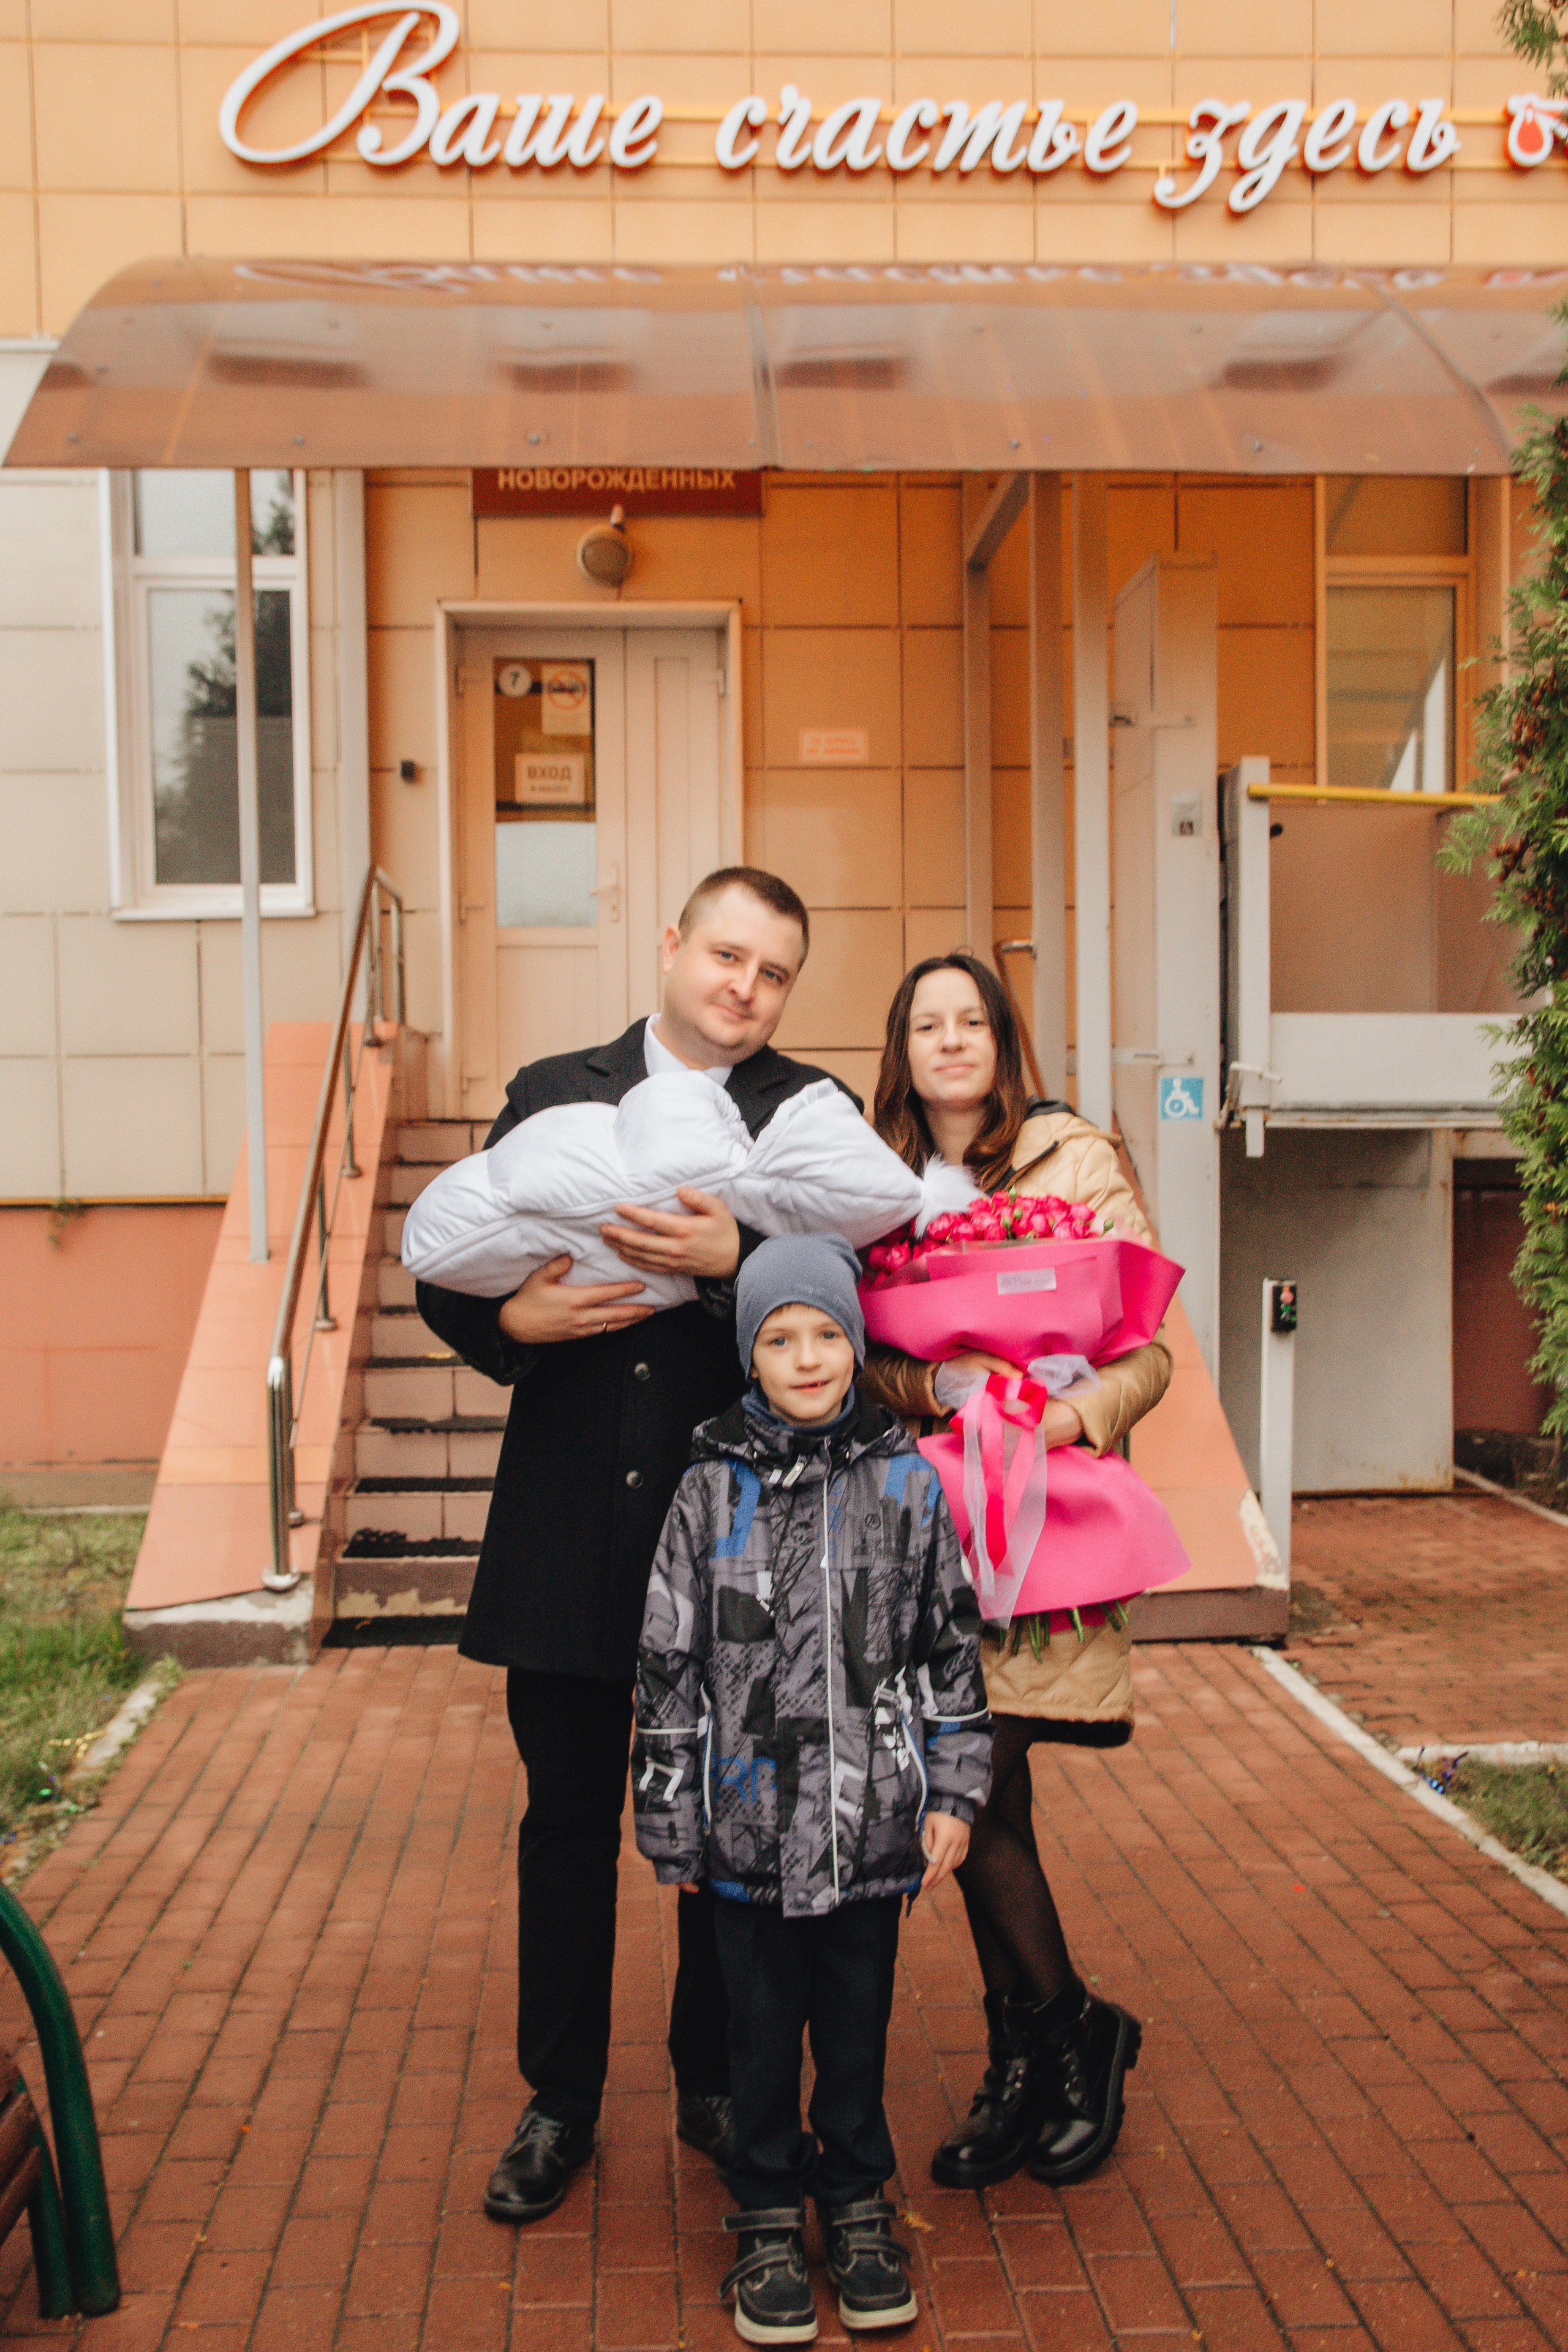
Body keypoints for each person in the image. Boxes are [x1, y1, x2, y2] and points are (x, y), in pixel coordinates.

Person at [415, 869, 857, 2227]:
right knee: (563, 1827)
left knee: (728, 1828)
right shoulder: (558, 1089)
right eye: (726, 955)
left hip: (731, 1545)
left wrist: (738, 1258)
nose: (745, 988)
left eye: (773, 973)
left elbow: (845, 1305)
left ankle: (713, 2078)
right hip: (566, 1532)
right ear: (671, 945)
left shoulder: (801, 1111)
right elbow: (456, 1255)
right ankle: (559, 2098)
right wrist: (508, 1329)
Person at [633, 1235, 991, 2344]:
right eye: (780, 1337)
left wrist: (954, 1789)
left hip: (869, 1827)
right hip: (745, 1835)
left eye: (828, 1334)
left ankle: (856, 2197)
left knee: (855, 2028)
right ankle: (766, 2211)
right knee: (756, 2036)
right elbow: (668, 1662)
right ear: (749, 1354)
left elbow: (950, 1648)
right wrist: (670, 1816)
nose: (806, 1357)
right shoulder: (708, 1489)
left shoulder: (905, 1482)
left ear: (856, 1344)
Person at [861, 952, 1173, 2191]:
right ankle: (1036, 2061)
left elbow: (1146, 1344)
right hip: (926, 1532)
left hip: (1045, 1523)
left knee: (973, 1781)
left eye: (970, 1022)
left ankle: (1071, 2034)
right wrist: (933, 1380)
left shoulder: (1073, 1158)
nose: (950, 1041)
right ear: (902, 1050)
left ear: (1001, 1040)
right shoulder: (871, 1179)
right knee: (988, 1799)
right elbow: (846, 1341)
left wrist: (1072, 1413)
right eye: (925, 1025)